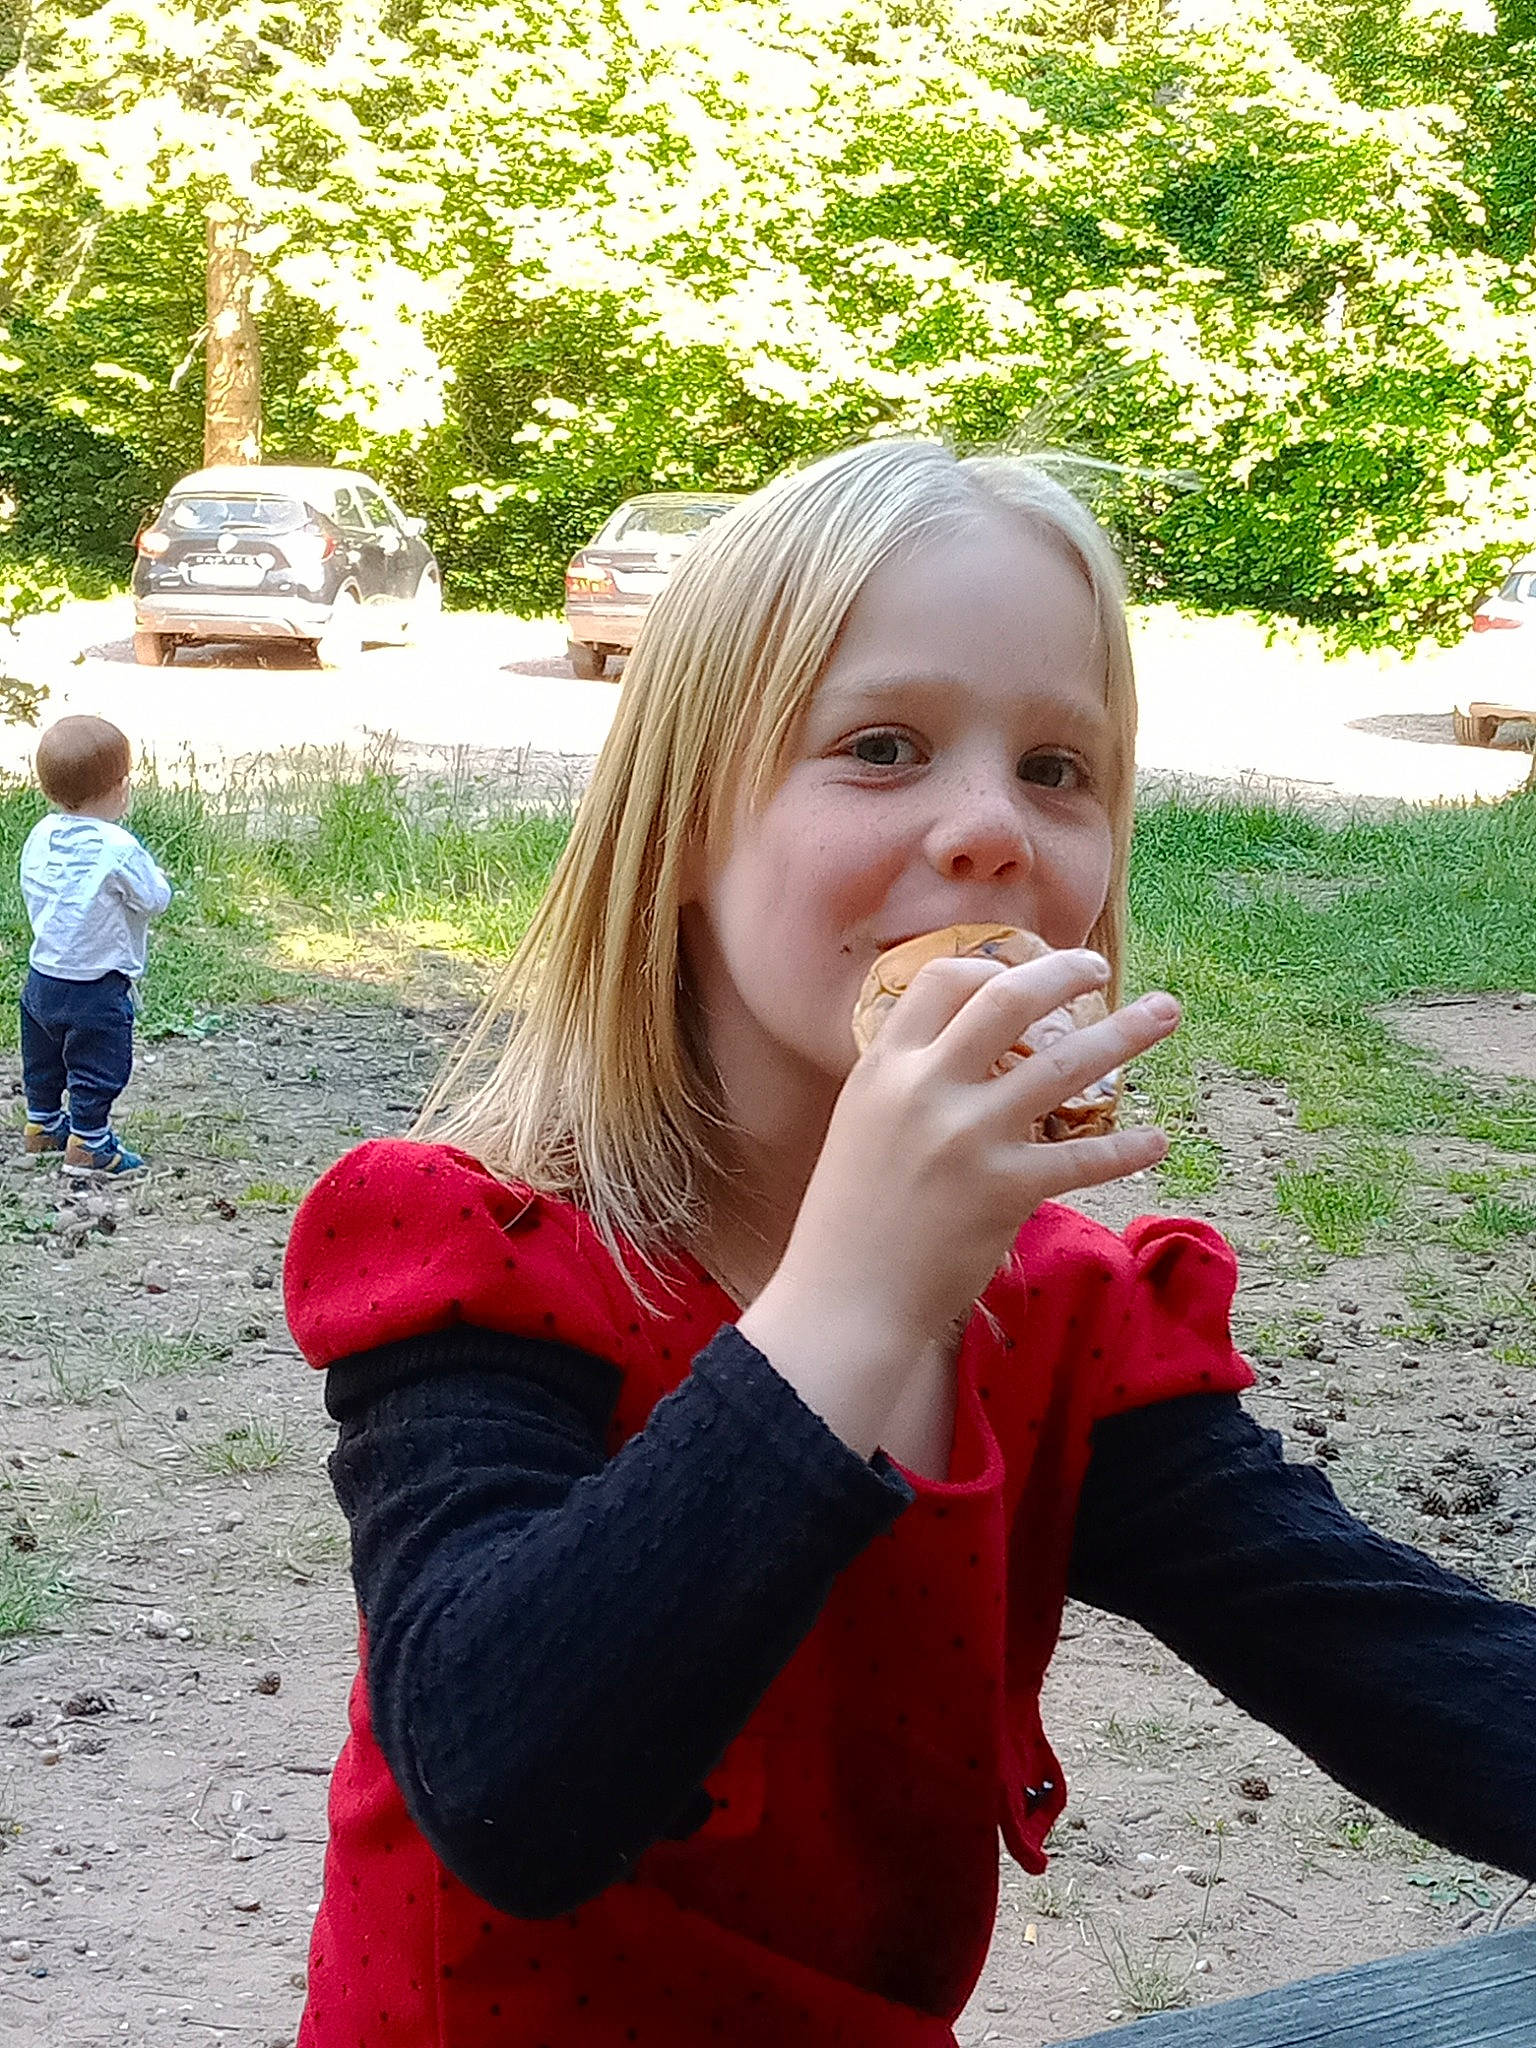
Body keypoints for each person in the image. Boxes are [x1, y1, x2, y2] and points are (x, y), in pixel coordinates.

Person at [283, 441, 1536, 2048]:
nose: (991, 827)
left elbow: (1383, 1655)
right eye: (881, 748)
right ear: (679, 830)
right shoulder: (484, 1247)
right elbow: (504, 1787)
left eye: (1059, 769)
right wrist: (859, 1292)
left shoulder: (1065, 1320)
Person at [19, 714, 170, 1176]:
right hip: (95, 983)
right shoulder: (117, 846)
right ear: (120, 788)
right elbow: (155, 898)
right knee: (97, 1065)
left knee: (43, 1060)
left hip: (42, 976)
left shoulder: (40, 835)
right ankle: (90, 1144)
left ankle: (42, 1125)